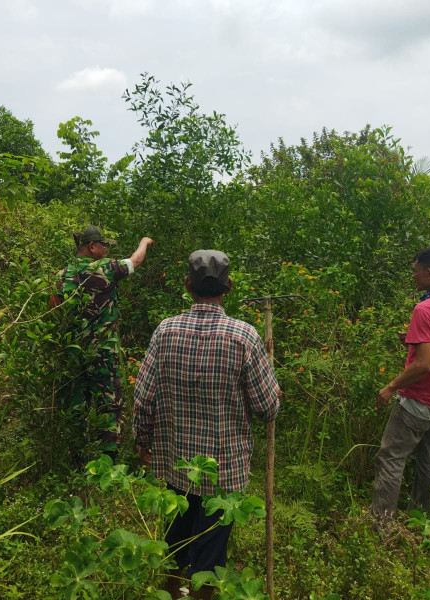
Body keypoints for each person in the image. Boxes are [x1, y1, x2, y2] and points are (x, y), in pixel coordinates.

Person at [133, 250, 280, 600]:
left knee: (175, 535)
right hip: (224, 471)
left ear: (188, 285)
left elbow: (143, 396)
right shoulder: (245, 336)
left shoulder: (165, 331)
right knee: (211, 553)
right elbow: (267, 408)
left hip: (175, 464)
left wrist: (142, 441)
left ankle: (169, 592)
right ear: (227, 287)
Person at [372, 246, 430, 522]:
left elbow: (424, 364)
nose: (412, 276)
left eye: (415, 271)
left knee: (390, 458)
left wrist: (391, 387)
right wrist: (413, 340)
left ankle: (382, 523)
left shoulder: (425, 309)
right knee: (428, 461)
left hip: (418, 402)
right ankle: (420, 518)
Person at [55, 225, 153, 461]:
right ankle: (107, 462)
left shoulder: (60, 276)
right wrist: (144, 242)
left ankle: (75, 459)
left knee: (76, 404)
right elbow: (135, 262)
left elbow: (53, 310)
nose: (106, 249)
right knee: (109, 403)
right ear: (91, 246)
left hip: (73, 353)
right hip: (102, 354)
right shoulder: (106, 268)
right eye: (103, 245)